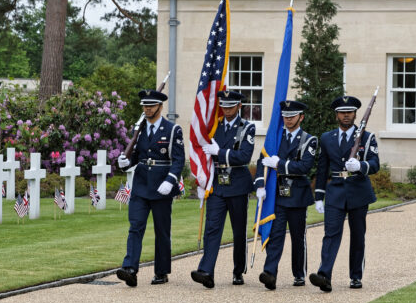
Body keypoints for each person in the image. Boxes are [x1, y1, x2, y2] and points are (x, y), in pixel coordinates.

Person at [116, 89, 185, 287]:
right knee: (135, 227)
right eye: (145, 106)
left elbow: (178, 160)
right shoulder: (139, 129)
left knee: (162, 231)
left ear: (160, 107)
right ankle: (130, 268)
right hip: (141, 185)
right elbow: (137, 155)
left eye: (151, 106)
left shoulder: (172, 130)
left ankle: (161, 271)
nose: (147, 109)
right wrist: (125, 162)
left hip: (161, 186)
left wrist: (170, 180)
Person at [309, 95, 380, 292]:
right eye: (342, 112)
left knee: (358, 236)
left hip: (358, 190)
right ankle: (324, 275)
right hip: (336, 191)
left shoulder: (366, 137)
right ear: (336, 115)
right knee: (330, 234)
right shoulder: (326, 138)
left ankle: (356, 276)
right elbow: (322, 169)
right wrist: (319, 196)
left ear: (356, 114)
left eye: (349, 112)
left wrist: (361, 165)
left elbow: (375, 164)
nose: (346, 115)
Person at [191, 90, 256, 288]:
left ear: (239, 106)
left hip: (237, 183)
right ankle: (206, 271)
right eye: (224, 106)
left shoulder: (247, 128)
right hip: (217, 183)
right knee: (212, 229)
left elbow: (244, 156)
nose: (227, 109)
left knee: (238, 231)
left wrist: (219, 152)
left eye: (231, 106)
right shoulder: (213, 127)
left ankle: (238, 271)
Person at [255, 100, 317, 290]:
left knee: (298, 237)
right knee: (276, 235)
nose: (288, 120)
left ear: (301, 117)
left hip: (297, 194)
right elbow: (262, 159)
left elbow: (305, 166)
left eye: (292, 116)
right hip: (278, 194)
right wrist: (260, 184)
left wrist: (280, 164)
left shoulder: (309, 140)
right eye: (285, 116)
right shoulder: (275, 137)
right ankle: (270, 273)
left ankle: (299, 274)